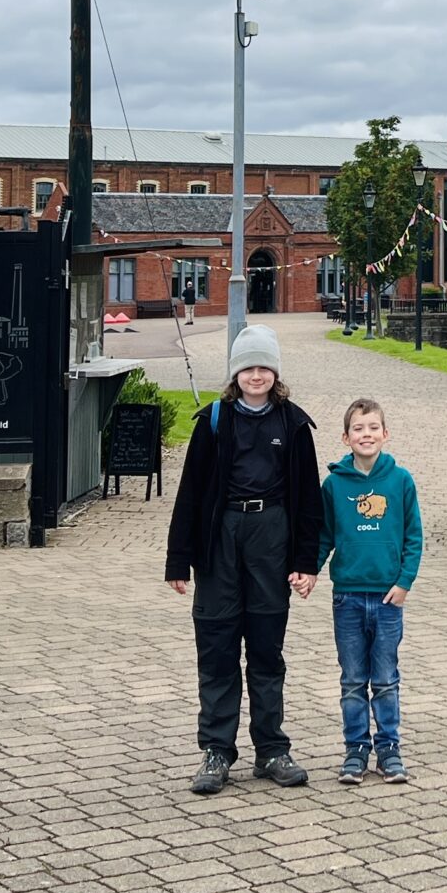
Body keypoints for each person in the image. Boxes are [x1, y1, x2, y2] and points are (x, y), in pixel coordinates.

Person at [165, 324, 323, 794]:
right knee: (216, 648)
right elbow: (190, 494)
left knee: (266, 650)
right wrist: (179, 560)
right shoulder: (214, 421)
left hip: (270, 538)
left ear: (275, 373)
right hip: (221, 539)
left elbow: (308, 500)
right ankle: (217, 750)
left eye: (265, 368)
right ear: (236, 374)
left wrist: (306, 560)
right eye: (249, 368)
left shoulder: (293, 423)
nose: (257, 376)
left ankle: (272, 749)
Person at [316, 396, 424, 785]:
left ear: (385, 433)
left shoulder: (400, 481)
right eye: (358, 429)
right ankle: (356, 748)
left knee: (385, 677)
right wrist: (308, 571)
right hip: (347, 595)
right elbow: (325, 535)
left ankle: (389, 748)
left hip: (387, 598)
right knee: (352, 679)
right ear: (346, 437)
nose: (367, 434)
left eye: (373, 427)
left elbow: (414, 536)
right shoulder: (334, 485)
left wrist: (404, 582)